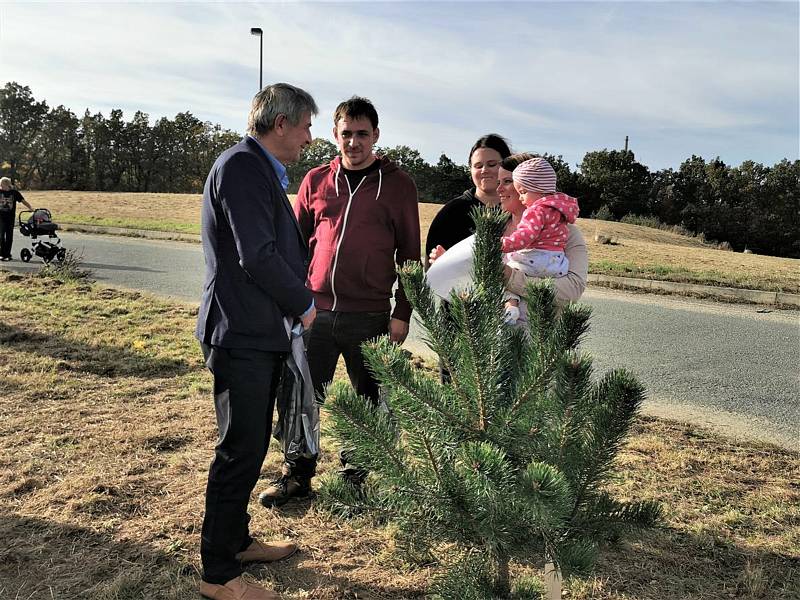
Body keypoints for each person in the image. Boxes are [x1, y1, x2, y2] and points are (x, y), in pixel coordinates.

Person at [259, 96, 421, 507]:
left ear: (376, 136)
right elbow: (294, 245)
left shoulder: (398, 185)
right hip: (315, 313)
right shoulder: (315, 180)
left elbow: (410, 255)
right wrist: (293, 301)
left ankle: (355, 477)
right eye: (345, 133)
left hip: (370, 316)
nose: (353, 142)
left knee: (365, 404)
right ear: (334, 135)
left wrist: (402, 313)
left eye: (362, 134)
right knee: (302, 397)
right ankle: (297, 474)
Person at [194, 83, 318, 600]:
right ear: (281, 124)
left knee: (249, 444)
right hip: (241, 333)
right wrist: (304, 303)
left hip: (255, 332)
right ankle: (219, 576)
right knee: (239, 450)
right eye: (308, 126)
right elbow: (257, 255)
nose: (311, 138)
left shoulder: (255, 167)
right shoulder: (242, 167)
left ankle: (237, 541)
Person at [428, 151, 588, 311]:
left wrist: (509, 276)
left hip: (540, 335)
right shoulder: (492, 229)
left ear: (530, 185)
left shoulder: (567, 233)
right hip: (494, 334)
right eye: (499, 182)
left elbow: (572, 290)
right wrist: (451, 265)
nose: (499, 189)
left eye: (507, 181)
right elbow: (477, 289)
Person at [500, 157, 579, 323]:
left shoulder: (535, 211)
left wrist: (503, 245)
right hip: (557, 264)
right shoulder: (559, 213)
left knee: (510, 262)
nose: (499, 189)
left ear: (536, 188)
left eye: (522, 192)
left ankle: (511, 305)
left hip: (536, 261)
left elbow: (524, 237)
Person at [424, 133, 511, 263]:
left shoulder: (522, 211)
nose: (484, 170)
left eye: (492, 164)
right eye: (478, 166)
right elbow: (433, 270)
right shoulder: (451, 213)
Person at [0, 177, 33, 261]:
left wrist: (30, 207)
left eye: (1, 184)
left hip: (10, 218)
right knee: (0, 236)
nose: (0, 185)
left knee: (9, 236)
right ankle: (2, 253)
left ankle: (7, 255)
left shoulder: (14, 193)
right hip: (0, 218)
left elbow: (23, 201)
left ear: (6, 184)